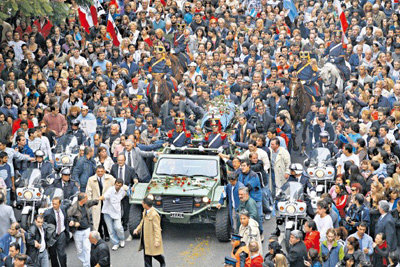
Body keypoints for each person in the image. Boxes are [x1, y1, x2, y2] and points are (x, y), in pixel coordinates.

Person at [67, 193, 99, 267]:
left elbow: (91, 202)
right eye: (86, 198)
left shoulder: (86, 204)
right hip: (78, 232)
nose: (87, 199)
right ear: (83, 200)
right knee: (80, 250)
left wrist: (97, 200)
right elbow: (68, 216)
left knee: (87, 248)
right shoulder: (74, 207)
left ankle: (86, 265)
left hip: (86, 229)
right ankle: (85, 260)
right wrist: (73, 222)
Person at [133, 197, 165, 267]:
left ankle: (162, 261)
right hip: (145, 238)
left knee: (155, 254)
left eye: (142, 203)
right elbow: (142, 222)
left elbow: (157, 229)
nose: (141, 204)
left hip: (151, 239)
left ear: (145, 204)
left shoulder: (154, 215)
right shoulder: (145, 211)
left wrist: (157, 241)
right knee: (147, 256)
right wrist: (137, 229)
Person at [86, 165, 115, 240]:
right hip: (96, 202)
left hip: (106, 202)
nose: (100, 173)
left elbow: (117, 184)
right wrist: (90, 201)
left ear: (104, 171)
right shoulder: (91, 179)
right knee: (97, 220)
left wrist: (127, 188)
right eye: (98, 171)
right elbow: (88, 191)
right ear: (96, 171)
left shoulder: (110, 178)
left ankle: (107, 234)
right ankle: (99, 234)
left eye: (101, 171)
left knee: (106, 218)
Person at [110, 154, 137, 233]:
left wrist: (135, 180)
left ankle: (125, 224)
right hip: (116, 191)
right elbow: (111, 177)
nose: (120, 162)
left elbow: (134, 177)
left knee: (126, 208)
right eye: (118, 160)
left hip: (125, 191)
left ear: (124, 161)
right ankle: (116, 223)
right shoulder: (114, 167)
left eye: (121, 160)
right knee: (116, 208)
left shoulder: (130, 169)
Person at [100, 178, 128, 251]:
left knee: (118, 227)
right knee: (111, 230)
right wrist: (98, 199)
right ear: (114, 184)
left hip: (116, 212)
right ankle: (115, 243)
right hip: (107, 212)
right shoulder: (110, 190)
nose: (117, 186)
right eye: (116, 185)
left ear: (122, 186)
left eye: (119, 185)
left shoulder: (122, 191)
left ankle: (122, 239)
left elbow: (127, 191)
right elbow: (104, 196)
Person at [43, 196, 68, 267]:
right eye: (53, 203)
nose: (54, 205)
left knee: (62, 254)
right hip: (52, 236)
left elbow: (67, 217)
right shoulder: (47, 213)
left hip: (61, 234)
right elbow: (43, 224)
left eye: (55, 204)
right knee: (53, 255)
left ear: (60, 204)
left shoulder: (63, 209)